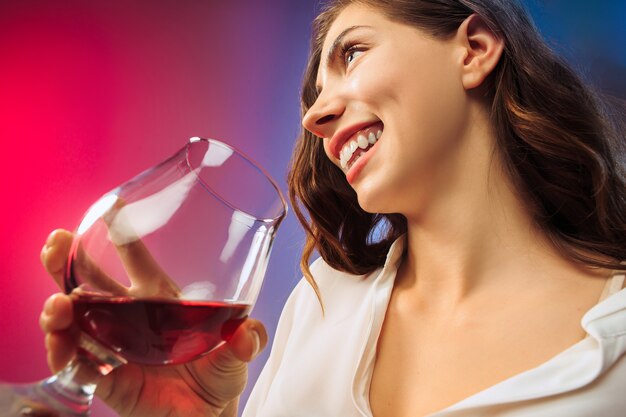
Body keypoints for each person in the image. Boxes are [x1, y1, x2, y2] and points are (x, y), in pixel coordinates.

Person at [39, 0, 626, 416]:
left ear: (472, 50)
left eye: (354, 52)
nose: (313, 117)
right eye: (316, 93)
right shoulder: (324, 304)